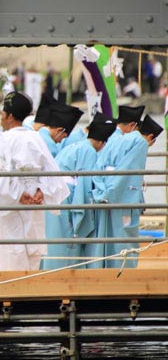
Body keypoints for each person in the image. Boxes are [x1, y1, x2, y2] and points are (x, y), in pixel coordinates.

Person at [0, 92, 70, 271]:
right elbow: (50, 170)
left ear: (9, 116)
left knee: (11, 253)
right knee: (31, 251)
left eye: (3, 114)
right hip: (34, 200)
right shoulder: (35, 137)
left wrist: (19, 195)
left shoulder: (6, 139)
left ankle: (11, 293)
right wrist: (41, 191)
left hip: (14, 203)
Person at [42, 114, 117, 270]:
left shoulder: (77, 145)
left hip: (54, 191)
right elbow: (85, 185)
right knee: (67, 238)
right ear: (102, 142)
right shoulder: (89, 151)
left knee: (54, 238)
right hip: (66, 195)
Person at [91, 105, 147, 268]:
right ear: (133, 125)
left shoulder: (111, 138)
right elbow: (129, 169)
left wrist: (102, 191)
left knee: (106, 236)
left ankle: (105, 270)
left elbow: (98, 166)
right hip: (123, 194)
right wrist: (112, 192)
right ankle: (124, 273)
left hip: (105, 188)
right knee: (124, 237)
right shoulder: (137, 140)